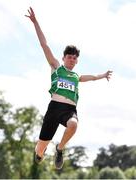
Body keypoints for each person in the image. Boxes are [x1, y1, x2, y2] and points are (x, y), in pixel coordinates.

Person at [25, 7, 112, 169]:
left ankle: (59, 149)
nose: (72, 59)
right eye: (69, 57)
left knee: (74, 124)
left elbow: (92, 77)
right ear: (63, 58)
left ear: (76, 61)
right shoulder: (56, 67)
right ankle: (39, 152)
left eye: (74, 58)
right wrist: (35, 22)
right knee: (40, 148)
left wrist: (103, 75)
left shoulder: (76, 76)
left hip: (69, 109)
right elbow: (44, 45)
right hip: (54, 108)